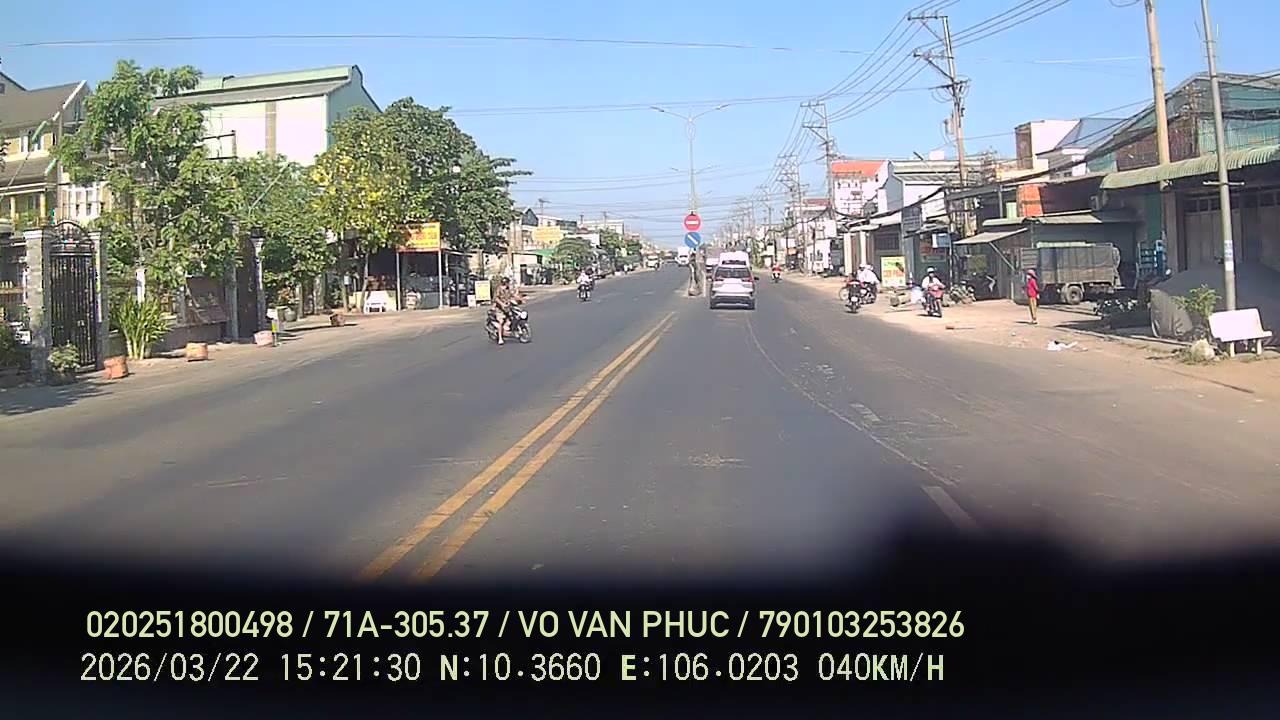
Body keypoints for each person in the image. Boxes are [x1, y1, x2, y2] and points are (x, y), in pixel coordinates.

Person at [492, 275, 520, 345]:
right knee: (501, 321)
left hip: (507, 307)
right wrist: (502, 304)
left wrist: (520, 299)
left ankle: (509, 330)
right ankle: (500, 338)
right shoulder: (499, 289)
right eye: (508, 283)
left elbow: (513, 295)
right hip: (499, 308)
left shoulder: (508, 289)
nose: (508, 284)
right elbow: (496, 298)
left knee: (513, 317)